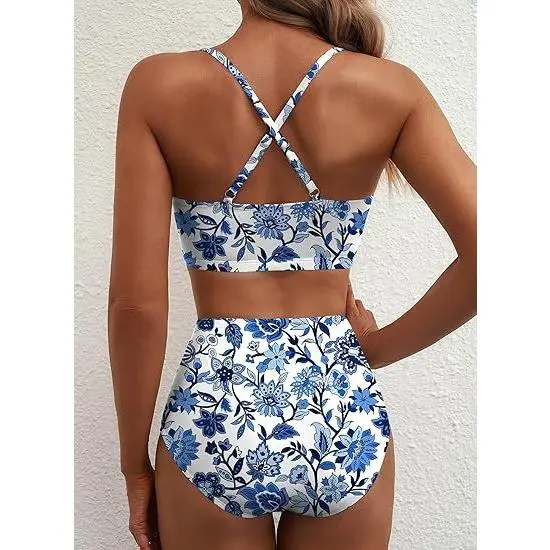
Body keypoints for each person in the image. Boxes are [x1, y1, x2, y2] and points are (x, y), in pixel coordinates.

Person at [108, 1, 476, 548]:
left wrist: (134, 466)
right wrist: (374, 349)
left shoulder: (159, 85)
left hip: (214, 409)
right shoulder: (390, 89)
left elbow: (135, 307)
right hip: (341, 407)